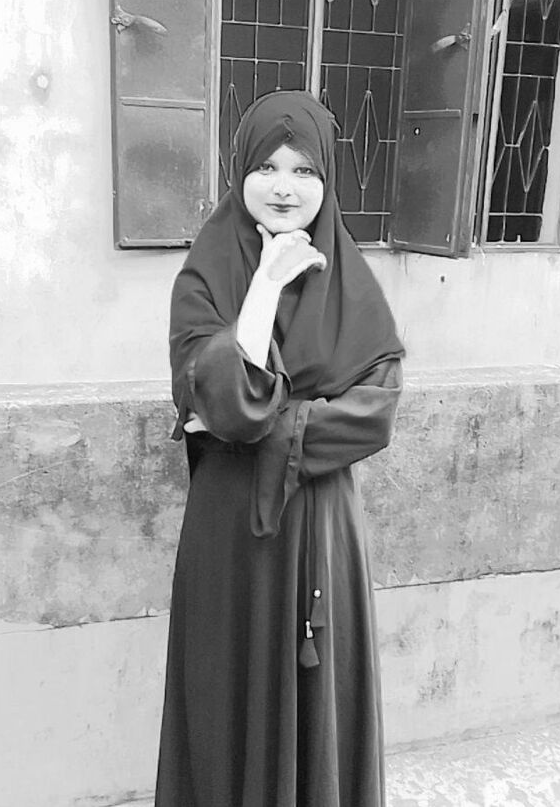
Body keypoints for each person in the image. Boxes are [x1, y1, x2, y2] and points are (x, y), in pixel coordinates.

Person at [155, 90, 404, 807]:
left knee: (320, 707)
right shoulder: (206, 276)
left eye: (304, 170)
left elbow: (376, 413)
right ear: (240, 173)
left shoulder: (350, 279)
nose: (284, 187)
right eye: (265, 167)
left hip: (323, 533)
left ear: (327, 181)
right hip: (229, 534)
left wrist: (264, 426)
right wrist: (264, 287)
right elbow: (223, 397)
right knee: (224, 696)